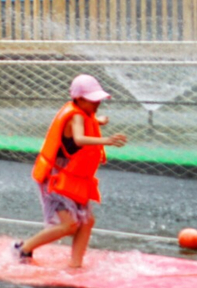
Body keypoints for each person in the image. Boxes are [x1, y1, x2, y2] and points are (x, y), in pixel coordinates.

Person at [15, 73, 128, 270]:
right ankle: (23, 249)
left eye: (98, 99)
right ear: (79, 99)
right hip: (55, 177)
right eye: (93, 100)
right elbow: (78, 139)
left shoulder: (82, 113)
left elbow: (85, 121)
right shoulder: (75, 116)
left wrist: (97, 121)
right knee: (68, 225)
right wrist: (106, 140)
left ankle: (76, 264)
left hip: (72, 177)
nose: (97, 103)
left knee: (86, 221)